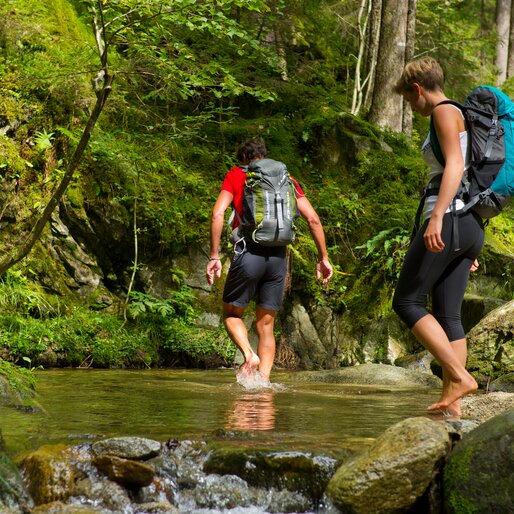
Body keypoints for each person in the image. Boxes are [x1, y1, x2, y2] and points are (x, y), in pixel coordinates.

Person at [392, 57, 484, 416]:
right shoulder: (462, 115)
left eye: (408, 99)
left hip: (448, 216)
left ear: (418, 90)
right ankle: (453, 409)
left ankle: (460, 378)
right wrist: (464, 240)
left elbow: (457, 168)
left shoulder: (444, 112)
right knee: (449, 316)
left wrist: (436, 218)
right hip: (468, 223)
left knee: (407, 302)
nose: (411, 107)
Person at [206, 138, 333, 384]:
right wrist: (323, 258)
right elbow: (313, 220)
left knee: (232, 314)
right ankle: (263, 384)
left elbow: (218, 212)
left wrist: (214, 256)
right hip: (278, 258)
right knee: (266, 325)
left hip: (248, 253)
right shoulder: (287, 180)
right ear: (265, 155)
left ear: (243, 158)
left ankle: (249, 355)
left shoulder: (237, 175)